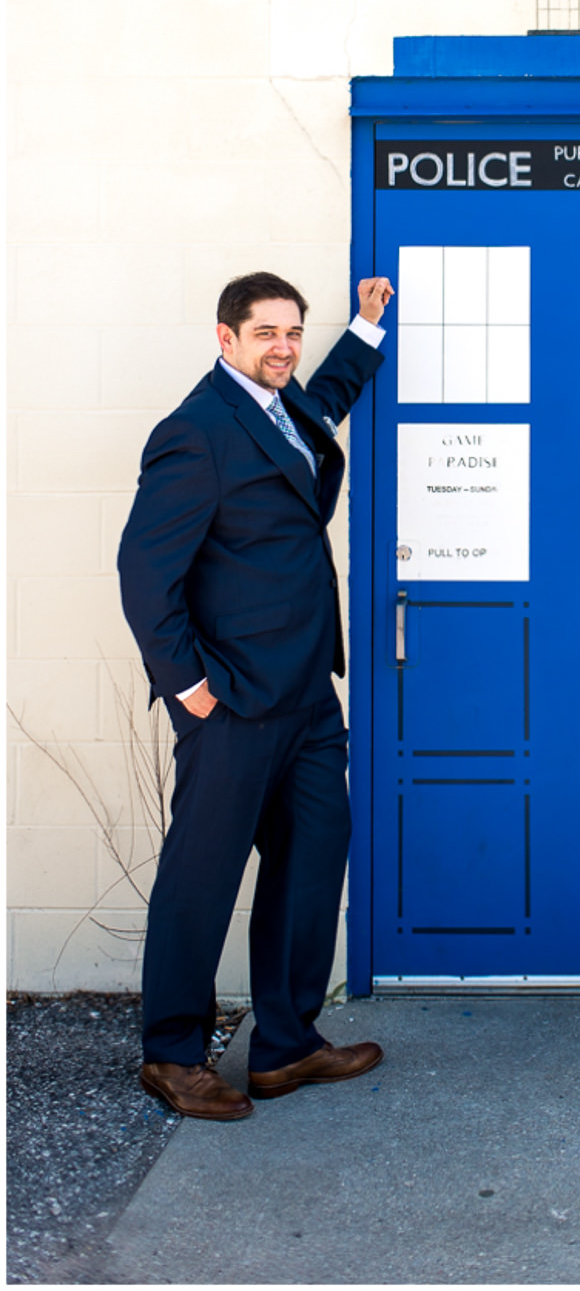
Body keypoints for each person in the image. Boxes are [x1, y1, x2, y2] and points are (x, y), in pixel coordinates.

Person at [117, 272, 397, 1120]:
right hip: (232, 701)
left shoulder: (287, 407)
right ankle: (172, 1053)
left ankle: (285, 1045)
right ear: (225, 337)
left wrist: (365, 329)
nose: (282, 346)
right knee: (201, 878)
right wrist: (188, 687)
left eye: (293, 333)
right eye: (265, 332)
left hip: (310, 695)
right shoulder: (195, 431)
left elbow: (326, 403)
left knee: (312, 865)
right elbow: (144, 573)